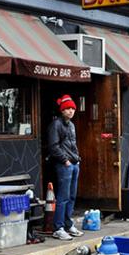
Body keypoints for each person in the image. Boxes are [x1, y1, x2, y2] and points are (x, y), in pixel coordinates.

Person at [47, 95, 83, 240]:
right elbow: (53, 146)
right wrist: (66, 160)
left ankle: (69, 225)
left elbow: (73, 144)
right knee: (63, 197)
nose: (70, 111)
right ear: (62, 110)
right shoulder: (56, 125)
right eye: (67, 108)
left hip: (74, 164)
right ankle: (59, 227)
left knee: (72, 196)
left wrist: (77, 160)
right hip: (64, 165)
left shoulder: (72, 125)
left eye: (72, 108)